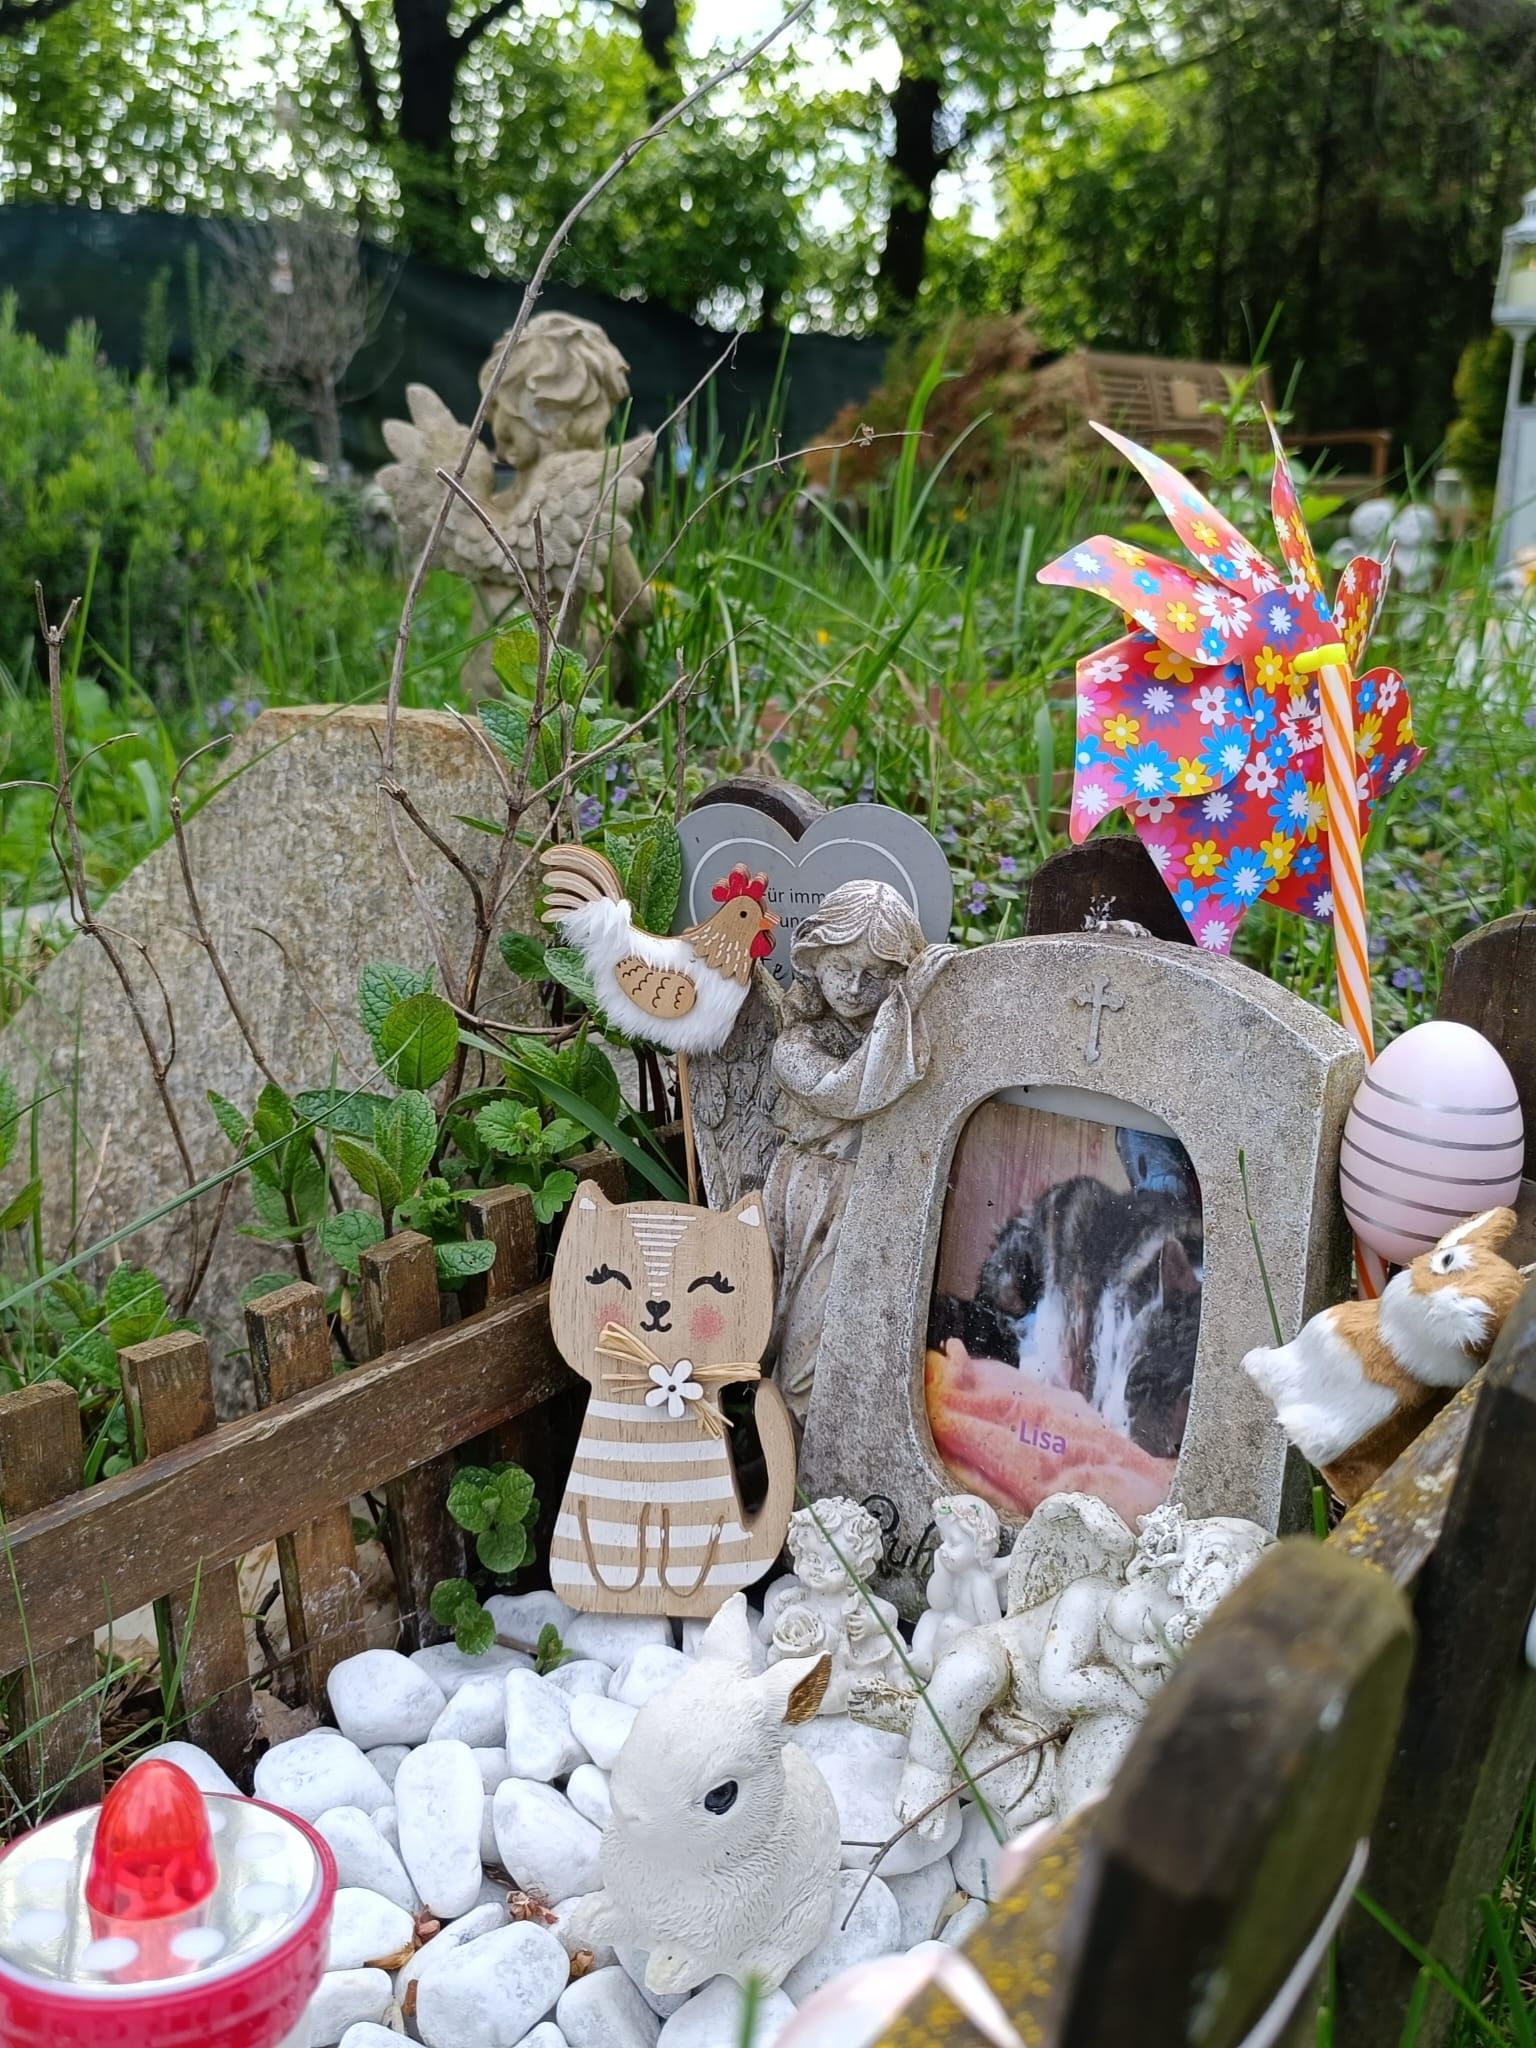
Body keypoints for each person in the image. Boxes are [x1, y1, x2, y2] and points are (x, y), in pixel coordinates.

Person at [763, 880, 955, 1413]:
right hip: (813, 1194)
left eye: (875, 976)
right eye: (841, 968)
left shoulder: (904, 1036)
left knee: (853, 1338)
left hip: (880, 1192)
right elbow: (847, 1092)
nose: (853, 987)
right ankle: (786, 1440)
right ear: (814, 960)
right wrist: (906, 1001)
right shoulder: (796, 1043)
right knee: (797, 1334)